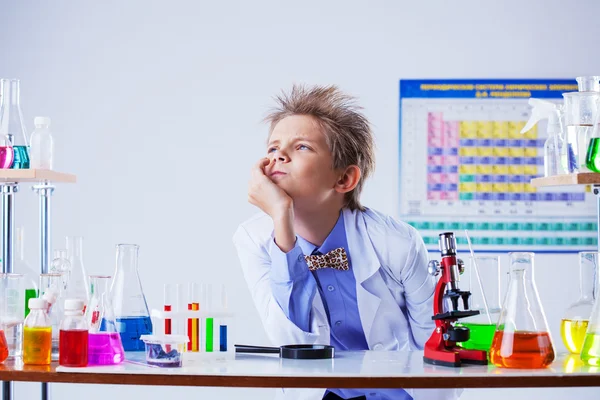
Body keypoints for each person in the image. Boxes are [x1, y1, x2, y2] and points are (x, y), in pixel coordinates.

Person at [233, 84, 459, 400]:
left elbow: (434, 348)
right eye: (272, 148)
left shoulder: (398, 242)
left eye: (301, 147)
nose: (279, 155)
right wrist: (281, 219)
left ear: (344, 179)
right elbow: (288, 337)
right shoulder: (253, 240)